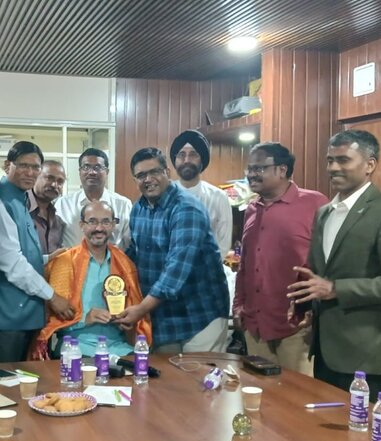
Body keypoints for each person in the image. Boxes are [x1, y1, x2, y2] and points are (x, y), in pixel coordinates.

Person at [287, 129, 381, 398]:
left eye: (343, 160)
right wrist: (306, 304)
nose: (333, 168)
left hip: (364, 355)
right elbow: (322, 273)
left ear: (369, 165)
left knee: (356, 427)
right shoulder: (324, 213)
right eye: (330, 160)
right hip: (324, 349)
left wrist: (335, 289)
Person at [115, 147, 230, 352]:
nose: (148, 179)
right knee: (165, 372)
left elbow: (176, 269)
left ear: (167, 172)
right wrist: (109, 269)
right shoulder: (139, 208)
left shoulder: (186, 208)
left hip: (200, 313)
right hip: (162, 315)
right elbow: (135, 251)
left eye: (154, 172)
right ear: (135, 180)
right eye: (141, 175)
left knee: (199, 372)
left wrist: (140, 309)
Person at [232, 142, 328, 375]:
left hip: (296, 325)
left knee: (296, 393)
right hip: (254, 324)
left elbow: (328, 261)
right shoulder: (252, 209)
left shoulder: (315, 203)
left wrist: (315, 308)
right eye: (249, 168)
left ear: (282, 170)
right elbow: (245, 264)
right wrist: (238, 305)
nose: (251, 174)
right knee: (258, 391)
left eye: (259, 168)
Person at [0, 141, 75, 362]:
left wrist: (47, 259)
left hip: (23, 314)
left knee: (25, 378)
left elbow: (16, 252)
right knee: (5, 379)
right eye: (23, 165)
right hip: (6, 316)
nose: (30, 172)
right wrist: (52, 296)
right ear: (7, 165)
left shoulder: (18, 200)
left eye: (35, 167)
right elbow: (11, 263)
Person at [32, 200, 152, 359]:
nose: (99, 228)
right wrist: (85, 319)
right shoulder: (64, 262)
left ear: (113, 225)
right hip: (76, 348)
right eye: (92, 222)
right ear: (82, 225)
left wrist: (128, 322)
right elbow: (53, 319)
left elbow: (136, 317)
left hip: (119, 349)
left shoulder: (125, 264)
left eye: (105, 222)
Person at [170, 129, 233, 258]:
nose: (187, 160)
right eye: (181, 155)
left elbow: (223, 244)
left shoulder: (219, 197)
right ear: (175, 160)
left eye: (193, 154)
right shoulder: (164, 196)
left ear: (202, 159)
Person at [56, 148, 133, 250]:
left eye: (98, 167)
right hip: (72, 260)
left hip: (112, 260)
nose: (92, 172)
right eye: (86, 167)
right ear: (79, 172)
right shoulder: (63, 204)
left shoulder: (123, 205)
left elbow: (128, 243)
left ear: (107, 172)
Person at [28, 159, 67, 255]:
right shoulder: (18, 211)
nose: (54, 185)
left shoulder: (58, 222)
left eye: (60, 181)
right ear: (35, 177)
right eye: (49, 178)